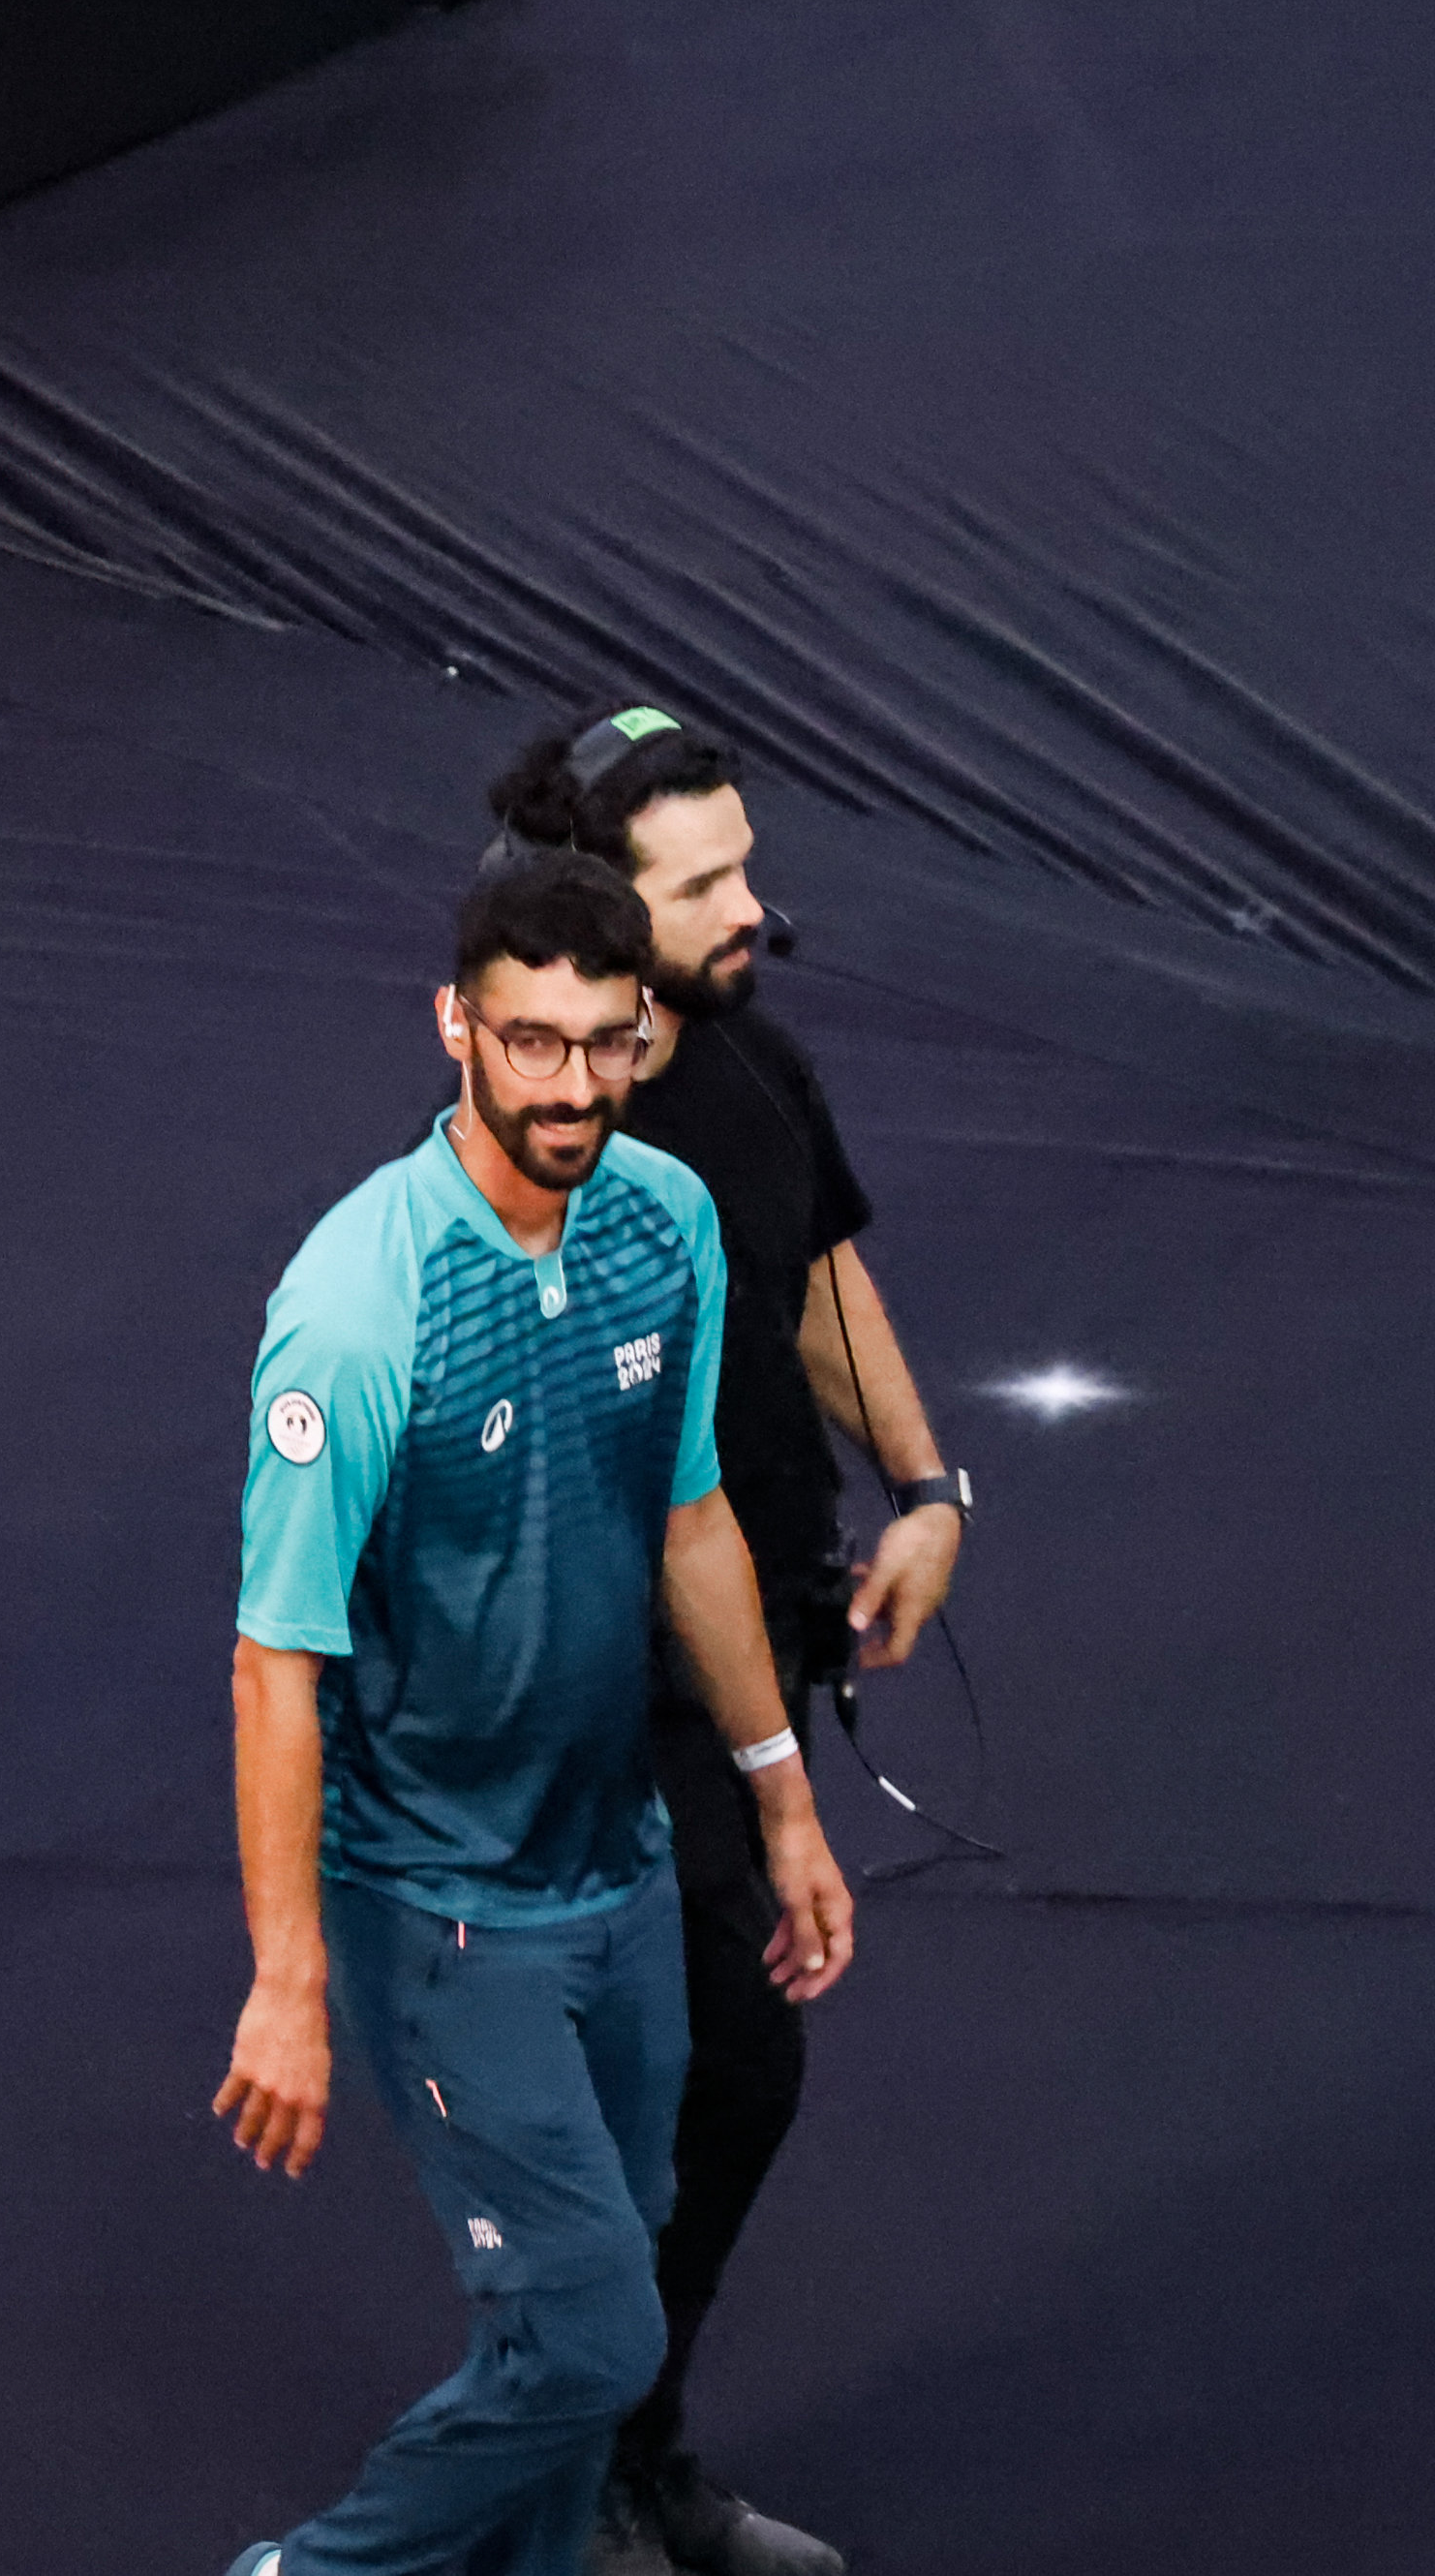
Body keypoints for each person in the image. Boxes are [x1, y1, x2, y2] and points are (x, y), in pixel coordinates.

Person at [211, 847, 860, 2576]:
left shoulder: (669, 1223)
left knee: (602, 2285)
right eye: (530, 1043)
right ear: (456, 1029)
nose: (570, 1085)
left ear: (644, 1031)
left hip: (621, 1868)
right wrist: (289, 1982)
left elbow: (696, 1517)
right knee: (594, 2344)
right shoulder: (358, 1311)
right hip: (444, 1905)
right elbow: (276, 1661)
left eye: (602, 1042)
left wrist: (783, 1804)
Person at [488, 710, 970, 2576]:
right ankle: (571, 2468)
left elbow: (820, 1264)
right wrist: (769, 1770)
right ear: (604, 911)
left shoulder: (756, 1062)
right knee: (678, 2076)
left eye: (746, 866)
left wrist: (928, 1485)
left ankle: (629, 2446)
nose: (753, 908)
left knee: (716, 2081)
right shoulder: (558, 1148)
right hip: (602, 1682)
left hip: (752, 1645)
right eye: (705, 888)